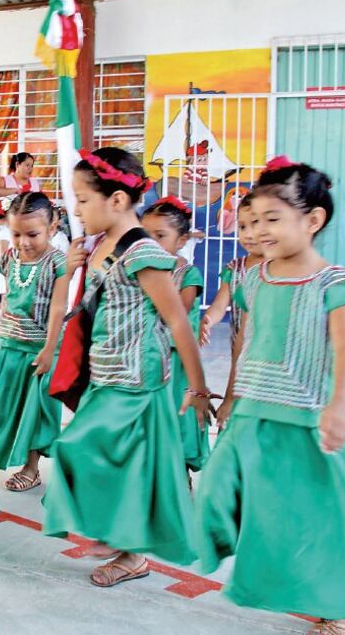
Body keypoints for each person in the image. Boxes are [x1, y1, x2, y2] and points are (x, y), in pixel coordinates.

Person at [196, 157, 345, 634]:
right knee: (215, 486)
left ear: (313, 220)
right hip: (253, 412)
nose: (258, 231)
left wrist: (339, 408)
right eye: (252, 221)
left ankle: (338, 608)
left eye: (272, 219)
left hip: (306, 419)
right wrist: (231, 393)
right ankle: (237, 559)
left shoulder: (332, 282)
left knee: (323, 518)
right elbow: (247, 339)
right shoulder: (253, 277)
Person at [41, 147, 213, 588]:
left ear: (117, 200)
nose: (77, 210)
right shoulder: (98, 247)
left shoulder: (142, 253)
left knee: (80, 448)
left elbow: (178, 321)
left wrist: (196, 387)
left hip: (136, 379)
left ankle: (125, 547)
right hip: (105, 374)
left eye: (83, 200)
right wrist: (70, 269)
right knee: (103, 458)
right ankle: (124, 545)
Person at [0, 192, 69, 492]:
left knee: (34, 412)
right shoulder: (9, 257)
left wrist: (49, 349)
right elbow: (8, 295)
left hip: (39, 349)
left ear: (52, 228)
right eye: (16, 234)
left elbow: (58, 307)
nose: (23, 242)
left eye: (33, 234)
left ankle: (31, 469)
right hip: (9, 345)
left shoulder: (57, 262)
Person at [141, 195, 209, 477]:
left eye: (160, 236)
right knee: (150, 415)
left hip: (177, 360)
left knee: (177, 413)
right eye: (146, 235)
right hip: (147, 356)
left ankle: (180, 472)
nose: (151, 242)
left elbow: (178, 313)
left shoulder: (187, 273)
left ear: (181, 240)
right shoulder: (140, 269)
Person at [199, 200, 264, 351]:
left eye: (255, 225)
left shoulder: (280, 269)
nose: (248, 234)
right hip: (239, 347)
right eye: (242, 227)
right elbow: (219, 305)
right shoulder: (234, 269)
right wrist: (209, 320)